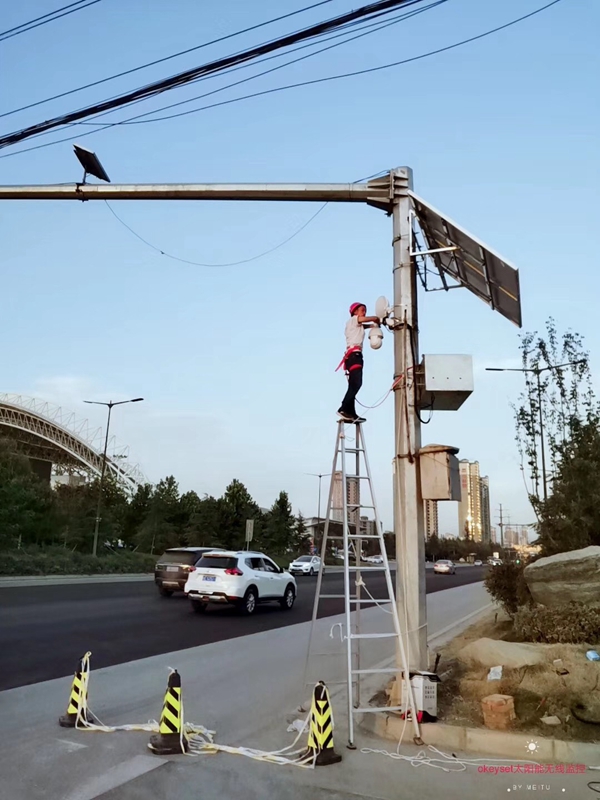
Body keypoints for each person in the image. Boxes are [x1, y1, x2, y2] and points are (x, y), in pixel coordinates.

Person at [336, 302, 380, 423]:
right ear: (355, 312)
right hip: (354, 355)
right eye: (362, 310)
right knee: (356, 384)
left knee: (353, 385)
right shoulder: (353, 320)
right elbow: (362, 320)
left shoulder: (355, 326)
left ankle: (351, 412)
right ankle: (344, 408)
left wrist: (372, 325)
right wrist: (376, 318)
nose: (364, 312)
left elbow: (363, 325)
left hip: (353, 356)